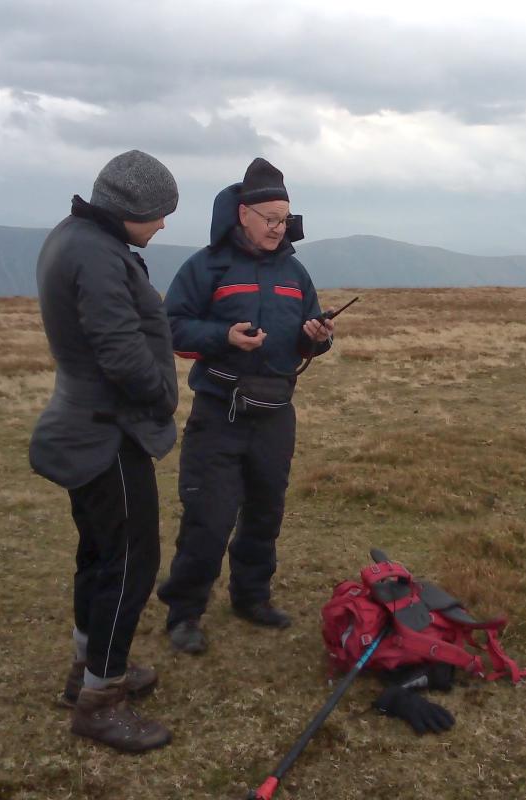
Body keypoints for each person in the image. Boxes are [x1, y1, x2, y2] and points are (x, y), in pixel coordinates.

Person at [29, 149, 180, 753]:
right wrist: (161, 395)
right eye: (159, 213)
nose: (163, 224)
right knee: (130, 562)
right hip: (107, 432)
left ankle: (85, 669)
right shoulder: (96, 254)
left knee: (98, 554)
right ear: (126, 208)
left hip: (86, 422)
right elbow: (120, 351)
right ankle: (101, 701)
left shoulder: (76, 237)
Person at [156, 157, 334, 654]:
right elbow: (171, 327)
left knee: (264, 512)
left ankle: (251, 597)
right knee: (208, 516)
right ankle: (184, 611)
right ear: (243, 214)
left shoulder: (295, 273)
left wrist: (317, 337)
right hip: (220, 412)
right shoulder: (206, 267)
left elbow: (308, 337)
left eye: (285, 219)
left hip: (275, 413)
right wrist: (224, 337)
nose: (279, 228)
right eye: (270, 219)